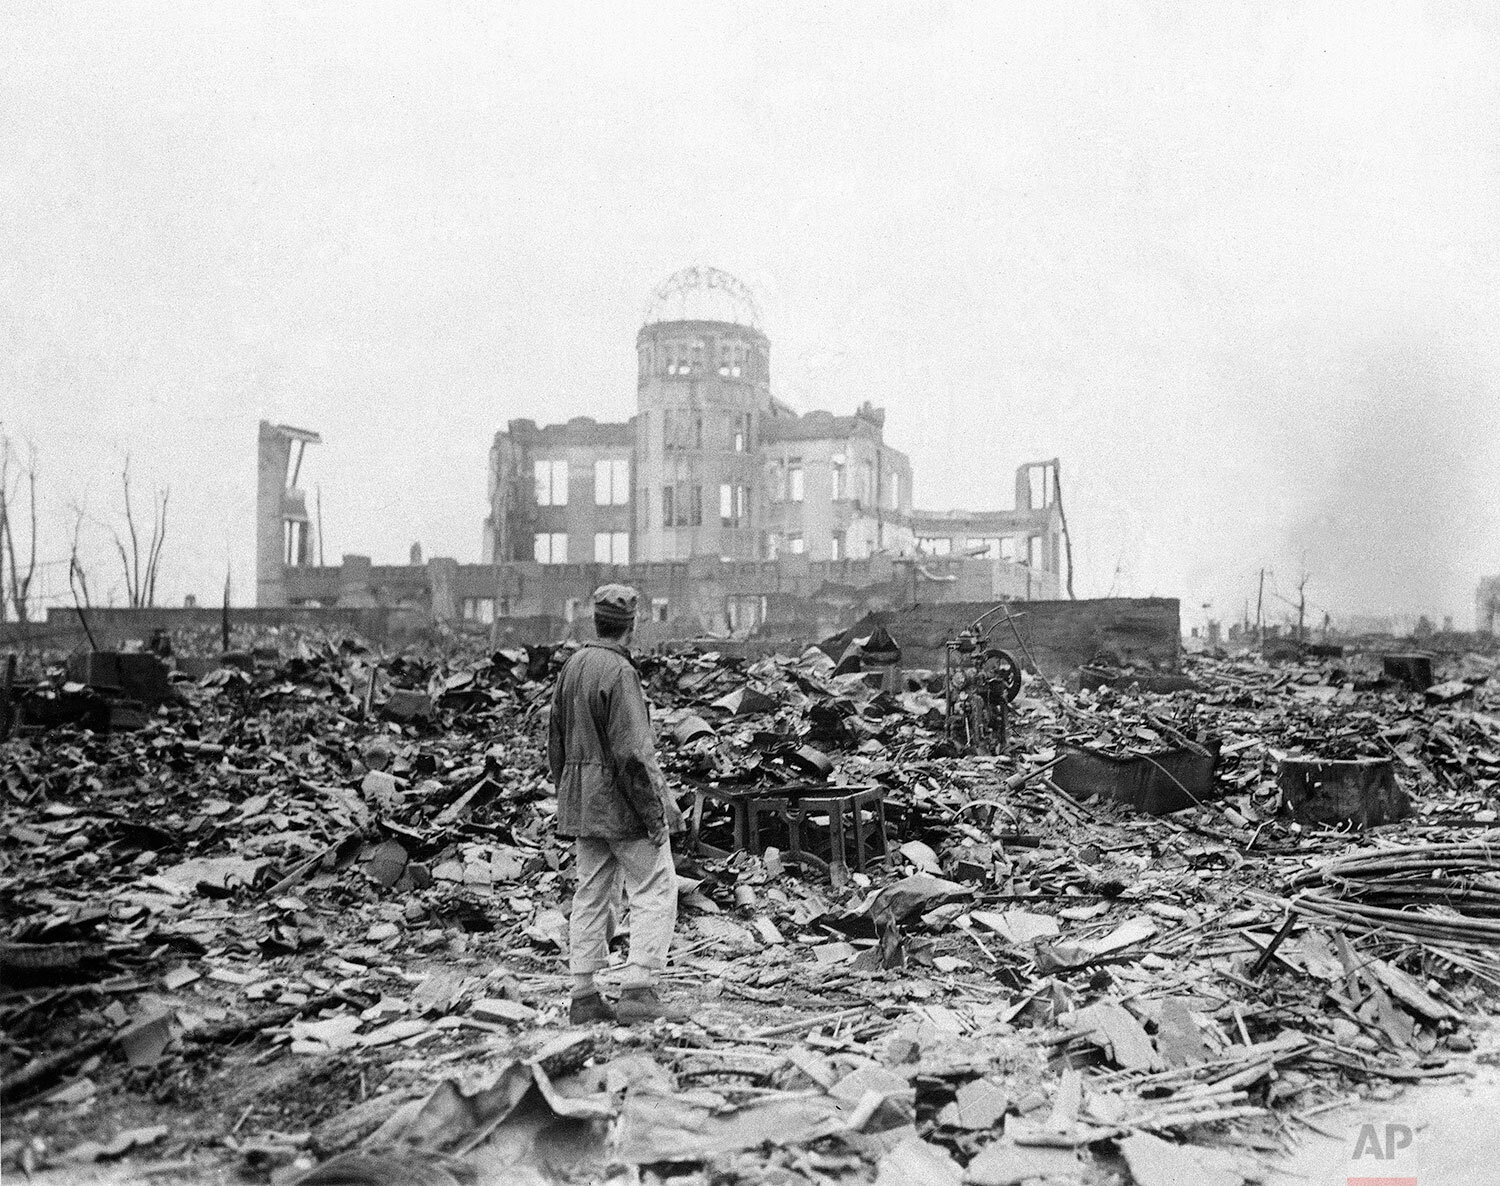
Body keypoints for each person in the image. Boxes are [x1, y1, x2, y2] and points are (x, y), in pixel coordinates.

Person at [549, 583, 686, 1025]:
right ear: (631, 625)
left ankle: (584, 994)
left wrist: (570, 794)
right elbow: (633, 753)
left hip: (583, 805)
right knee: (654, 886)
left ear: (596, 620)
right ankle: (639, 989)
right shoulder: (620, 673)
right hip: (622, 806)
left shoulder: (572, 667)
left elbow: (555, 742)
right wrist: (655, 814)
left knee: (591, 892)